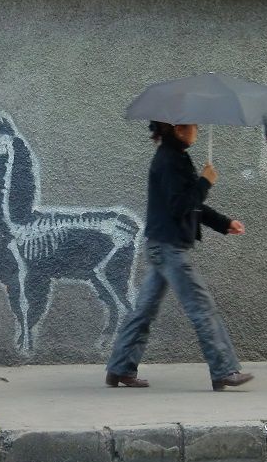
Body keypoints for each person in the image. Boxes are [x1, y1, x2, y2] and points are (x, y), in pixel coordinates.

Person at [104, 121, 253, 391]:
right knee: (202, 307)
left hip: (161, 245)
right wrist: (205, 181)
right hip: (170, 248)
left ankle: (119, 368)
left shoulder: (174, 158)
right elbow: (181, 205)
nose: (197, 129)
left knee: (144, 312)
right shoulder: (170, 160)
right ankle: (224, 370)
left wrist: (223, 223)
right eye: (193, 125)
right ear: (178, 129)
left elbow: (190, 204)